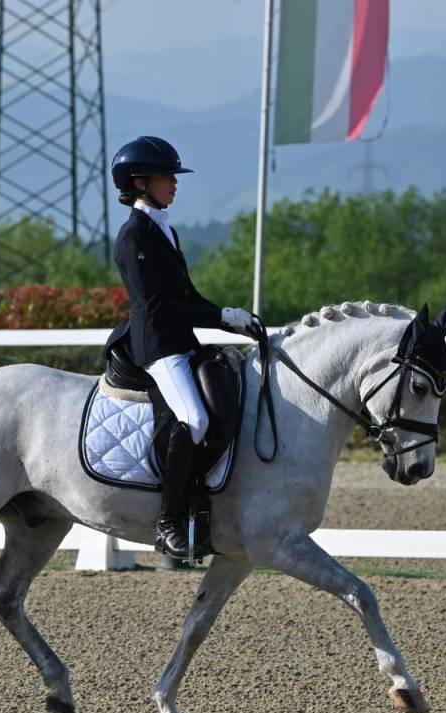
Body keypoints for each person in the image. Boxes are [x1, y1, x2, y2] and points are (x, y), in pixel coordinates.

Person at [108, 135, 255, 561]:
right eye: (165, 177)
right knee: (192, 419)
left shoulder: (164, 230)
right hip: (157, 346)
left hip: (181, 340)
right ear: (140, 183)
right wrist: (220, 319)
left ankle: (201, 504)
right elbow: (156, 306)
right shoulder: (133, 236)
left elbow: (187, 297)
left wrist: (231, 317)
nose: (174, 183)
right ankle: (169, 521)